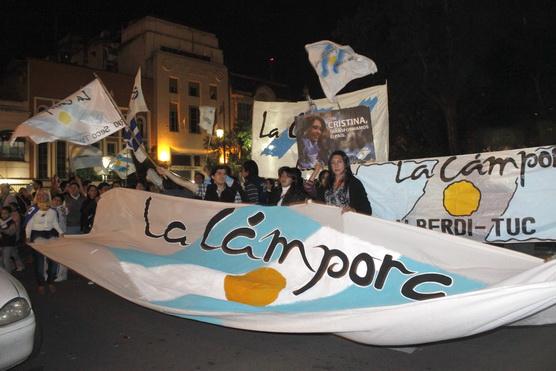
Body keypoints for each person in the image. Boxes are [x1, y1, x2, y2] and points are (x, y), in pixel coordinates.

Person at [309, 150, 372, 215]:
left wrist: (353, 210)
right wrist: (313, 203)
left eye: (339, 162)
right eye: (333, 163)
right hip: (329, 221)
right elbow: (319, 200)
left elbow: (367, 210)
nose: (336, 165)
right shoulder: (327, 182)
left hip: (348, 222)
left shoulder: (354, 183)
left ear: (345, 164)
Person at [25, 190, 64, 294]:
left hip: (51, 234)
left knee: (53, 260)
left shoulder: (53, 210)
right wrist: (28, 236)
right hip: (37, 234)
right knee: (39, 262)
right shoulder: (33, 209)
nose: (41, 196)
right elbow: (29, 224)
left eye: (44, 195)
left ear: (48, 197)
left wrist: (60, 232)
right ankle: (41, 284)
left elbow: (55, 223)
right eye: (39, 195)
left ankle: (51, 281)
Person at [0, 206, 18, 273]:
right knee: (1, 259)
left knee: (6, 259)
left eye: (5, 213)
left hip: (9, 243)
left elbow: (11, 232)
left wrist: (2, 230)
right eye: (2, 213)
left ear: (9, 214)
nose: (3, 215)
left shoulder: (12, 222)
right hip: (2, 243)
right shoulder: (1, 221)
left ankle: (9, 274)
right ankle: (4, 274)